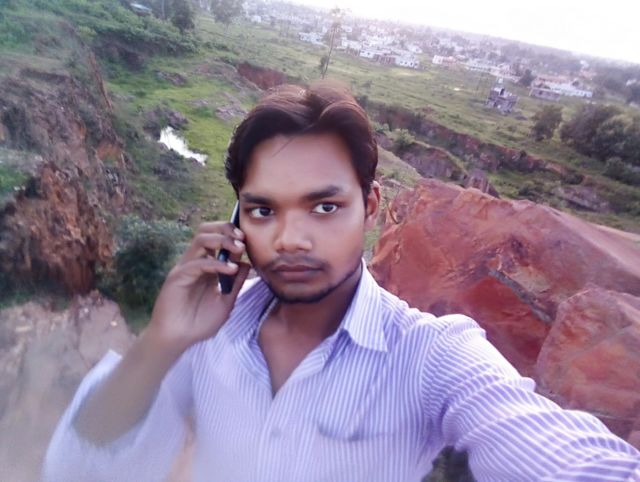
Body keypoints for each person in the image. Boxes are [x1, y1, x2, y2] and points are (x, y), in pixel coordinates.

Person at [43, 82, 640, 481]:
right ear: (236, 221)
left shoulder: (431, 355)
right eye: (263, 210)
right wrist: (161, 342)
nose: (290, 239)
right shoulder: (209, 331)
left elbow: (546, 448)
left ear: (371, 206)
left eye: (324, 207)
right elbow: (79, 469)